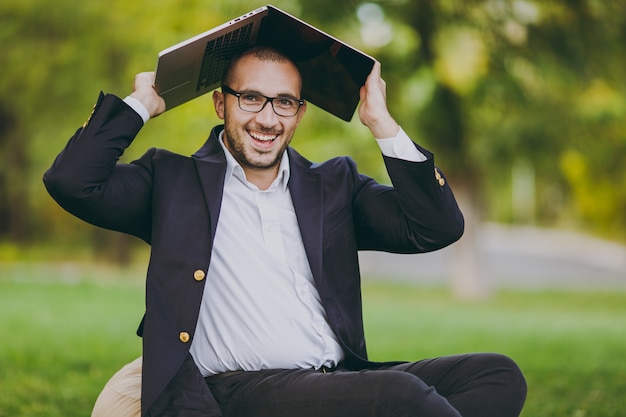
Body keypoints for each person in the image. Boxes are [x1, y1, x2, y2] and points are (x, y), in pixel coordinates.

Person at [44, 46, 526, 417]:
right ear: (220, 104)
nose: (267, 118)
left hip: (336, 380)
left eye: (284, 102)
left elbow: (437, 227)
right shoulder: (171, 181)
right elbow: (71, 182)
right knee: (399, 396)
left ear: (300, 113)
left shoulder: (333, 185)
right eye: (251, 98)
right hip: (239, 389)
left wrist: (380, 122)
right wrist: (142, 103)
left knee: (496, 375)